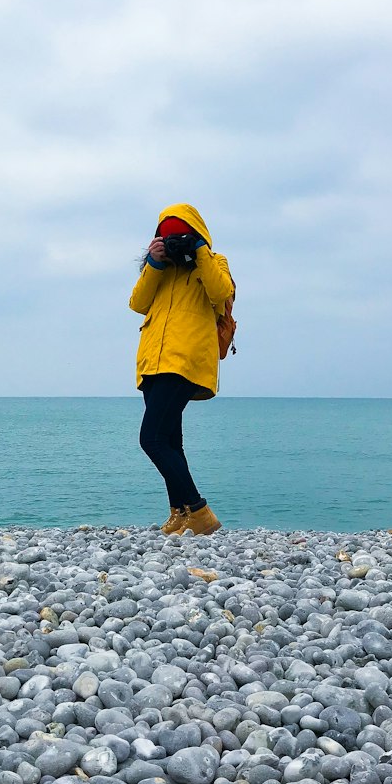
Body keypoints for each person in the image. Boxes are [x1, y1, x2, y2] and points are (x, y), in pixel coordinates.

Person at [129, 204, 234, 536]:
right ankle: (180, 513)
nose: (174, 242)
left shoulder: (214, 263)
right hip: (152, 361)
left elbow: (221, 293)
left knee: (152, 438)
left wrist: (199, 250)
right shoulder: (160, 270)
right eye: (166, 236)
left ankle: (199, 511)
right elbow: (137, 303)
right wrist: (154, 262)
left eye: (180, 236)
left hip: (185, 360)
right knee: (171, 440)